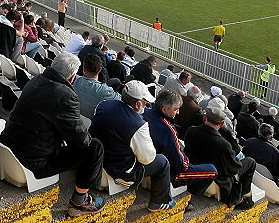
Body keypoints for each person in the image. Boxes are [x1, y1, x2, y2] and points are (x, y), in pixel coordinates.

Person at [0, 53, 106, 217]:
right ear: (72, 77)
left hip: (10, 146)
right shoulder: (65, 95)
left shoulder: (35, 80)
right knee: (95, 147)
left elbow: (43, 118)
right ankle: (79, 201)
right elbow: (82, 141)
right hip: (35, 162)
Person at [90, 81, 176, 213]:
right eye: (145, 102)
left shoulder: (104, 104)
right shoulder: (138, 125)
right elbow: (148, 159)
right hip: (117, 173)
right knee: (162, 161)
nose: (146, 105)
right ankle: (159, 202)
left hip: (95, 160)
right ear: (137, 104)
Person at [144, 90, 217, 198]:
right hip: (168, 172)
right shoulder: (168, 129)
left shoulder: (145, 112)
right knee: (212, 170)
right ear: (164, 109)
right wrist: (187, 163)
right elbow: (180, 164)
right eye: (175, 109)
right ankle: (189, 198)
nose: (177, 113)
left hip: (148, 163)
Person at [184, 106, 256, 208]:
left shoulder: (191, 131)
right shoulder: (223, 144)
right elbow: (234, 168)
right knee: (250, 162)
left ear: (204, 118)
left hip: (195, 169)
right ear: (222, 124)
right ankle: (244, 196)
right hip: (218, 179)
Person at [73, 53, 121, 118]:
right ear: (100, 70)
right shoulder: (106, 92)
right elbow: (122, 101)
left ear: (83, 69)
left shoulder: (74, 81)